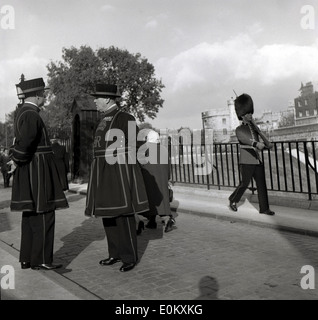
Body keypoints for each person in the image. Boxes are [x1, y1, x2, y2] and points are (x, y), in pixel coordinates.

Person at [85, 83, 149, 272]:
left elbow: (136, 145)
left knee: (123, 214)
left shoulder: (125, 117)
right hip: (102, 171)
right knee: (108, 213)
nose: (95, 101)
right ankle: (115, 253)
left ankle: (129, 256)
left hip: (118, 172)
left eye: (97, 97)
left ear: (107, 99)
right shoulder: (103, 119)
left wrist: (126, 169)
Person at [9, 77, 69, 270]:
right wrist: (16, 159)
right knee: (44, 213)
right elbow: (26, 142)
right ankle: (42, 259)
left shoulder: (23, 112)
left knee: (30, 215)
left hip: (31, 169)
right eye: (43, 93)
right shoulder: (32, 114)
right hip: (38, 171)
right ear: (36, 95)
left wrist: (16, 160)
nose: (45, 96)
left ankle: (27, 258)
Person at [228, 93, 275, 216]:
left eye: (251, 113)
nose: (250, 115)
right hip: (246, 161)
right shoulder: (239, 129)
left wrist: (258, 129)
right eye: (248, 113)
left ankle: (264, 208)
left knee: (261, 185)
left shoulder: (254, 128)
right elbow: (245, 139)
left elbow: (266, 142)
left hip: (257, 160)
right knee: (244, 184)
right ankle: (233, 200)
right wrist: (255, 144)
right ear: (242, 115)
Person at [139, 129, 176, 233]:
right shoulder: (163, 150)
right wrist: (167, 178)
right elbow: (168, 167)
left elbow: (141, 166)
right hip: (162, 179)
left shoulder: (144, 150)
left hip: (149, 180)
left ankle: (162, 220)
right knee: (160, 201)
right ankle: (155, 220)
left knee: (150, 201)